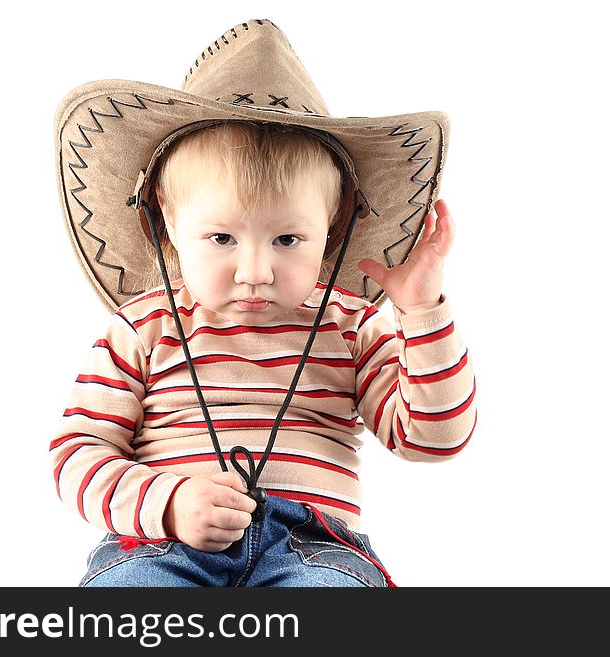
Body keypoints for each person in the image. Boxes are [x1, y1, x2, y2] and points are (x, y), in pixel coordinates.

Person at [51, 18, 477, 587]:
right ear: (169, 222)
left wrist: (423, 313)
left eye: (288, 239)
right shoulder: (143, 328)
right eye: (222, 238)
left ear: (333, 225)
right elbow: (78, 451)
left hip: (314, 548)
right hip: (160, 545)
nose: (256, 272)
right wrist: (168, 502)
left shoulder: (349, 329)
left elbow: (434, 437)